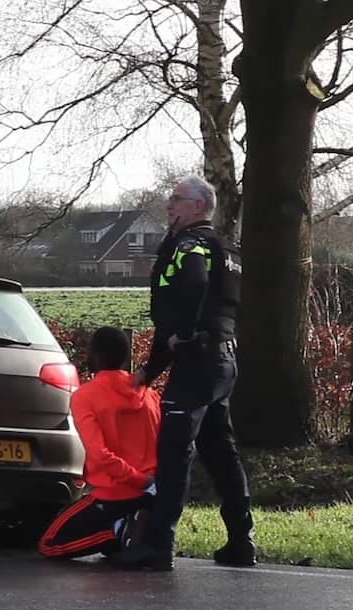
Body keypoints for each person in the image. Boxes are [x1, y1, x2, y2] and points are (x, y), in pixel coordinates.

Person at [111, 175, 256, 572]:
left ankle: (159, 546)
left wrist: (185, 335)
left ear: (197, 206)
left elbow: (191, 286)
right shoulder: (230, 249)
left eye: (175, 200)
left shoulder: (191, 244)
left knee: (174, 453)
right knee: (221, 453)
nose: (168, 206)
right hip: (224, 361)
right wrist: (150, 368)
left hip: (198, 360)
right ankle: (241, 541)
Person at [38, 326, 160, 560]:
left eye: (90, 351)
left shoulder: (85, 396)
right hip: (152, 492)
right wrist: (151, 483)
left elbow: (99, 455)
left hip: (113, 494)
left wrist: (139, 480)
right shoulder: (149, 394)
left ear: (97, 355)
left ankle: (116, 531)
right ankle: (131, 531)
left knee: (49, 543)